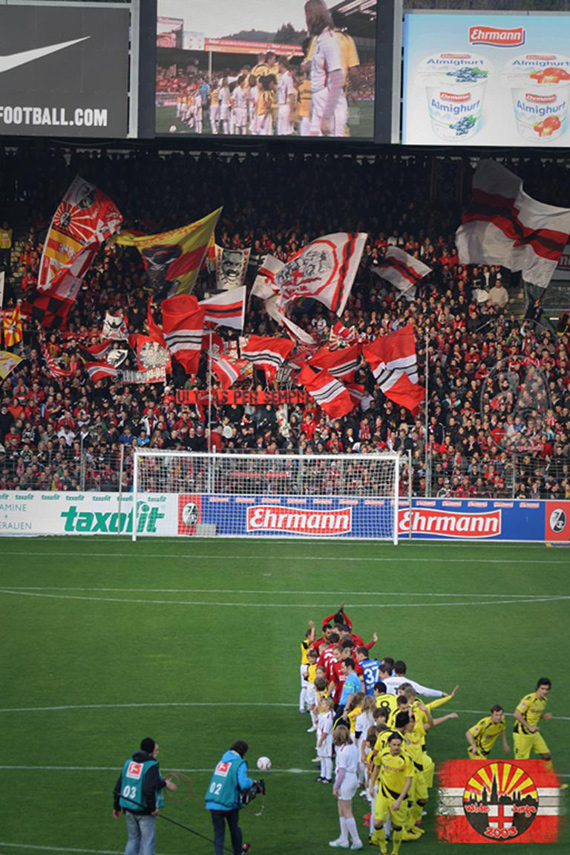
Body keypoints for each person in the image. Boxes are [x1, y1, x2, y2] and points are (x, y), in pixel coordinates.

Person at [113, 737, 177, 855]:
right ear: (151, 751)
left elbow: (119, 786)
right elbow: (148, 788)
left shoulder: (128, 763)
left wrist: (116, 807)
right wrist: (152, 809)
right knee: (147, 842)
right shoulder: (151, 765)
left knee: (133, 839)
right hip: (144, 811)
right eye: (156, 750)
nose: (157, 753)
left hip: (129, 809)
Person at [205, 739, 255, 855]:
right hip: (228, 803)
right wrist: (253, 782)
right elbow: (244, 784)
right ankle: (238, 852)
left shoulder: (221, 762)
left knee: (218, 834)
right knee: (234, 829)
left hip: (213, 802)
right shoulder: (240, 763)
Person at [304, 0, 343, 137]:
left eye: (307, 15)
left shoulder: (329, 40)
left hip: (327, 102)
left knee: (329, 145)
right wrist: (312, 104)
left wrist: (327, 115)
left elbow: (337, 79)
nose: (306, 20)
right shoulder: (319, 39)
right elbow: (317, 74)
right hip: (318, 100)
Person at [371, 732, 413, 855]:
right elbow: (377, 766)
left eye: (398, 745)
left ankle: (395, 852)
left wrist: (399, 800)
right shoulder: (383, 754)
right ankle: (383, 851)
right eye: (394, 745)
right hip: (383, 793)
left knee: (397, 827)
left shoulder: (406, 759)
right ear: (389, 744)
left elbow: (409, 781)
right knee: (377, 822)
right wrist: (371, 784)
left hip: (398, 797)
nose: (396, 747)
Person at [329, 725, 363, 850]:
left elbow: (342, 772)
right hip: (353, 778)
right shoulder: (354, 747)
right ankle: (343, 839)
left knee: (347, 811)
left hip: (346, 781)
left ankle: (356, 841)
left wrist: (335, 786)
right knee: (341, 809)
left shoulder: (343, 751)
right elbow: (359, 766)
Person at [513, 678, 553, 760]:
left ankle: (542, 769)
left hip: (534, 733)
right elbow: (516, 714)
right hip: (522, 733)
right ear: (537, 688)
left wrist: (543, 716)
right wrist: (529, 727)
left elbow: (534, 714)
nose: (544, 691)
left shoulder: (544, 700)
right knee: (521, 763)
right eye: (542, 689)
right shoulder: (529, 699)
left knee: (547, 755)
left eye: (547, 689)